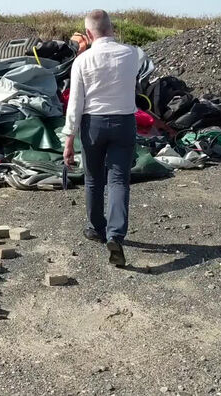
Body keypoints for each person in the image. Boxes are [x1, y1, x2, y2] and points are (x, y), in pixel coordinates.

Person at [62, 9, 141, 267]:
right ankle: (115, 234)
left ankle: (96, 227)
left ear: (87, 33)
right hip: (124, 122)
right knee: (119, 179)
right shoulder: (133, 54)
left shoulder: (81, 62)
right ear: (112, 27)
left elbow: (75, 103)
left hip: (93, 124)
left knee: (94, 178)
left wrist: (69, 139)